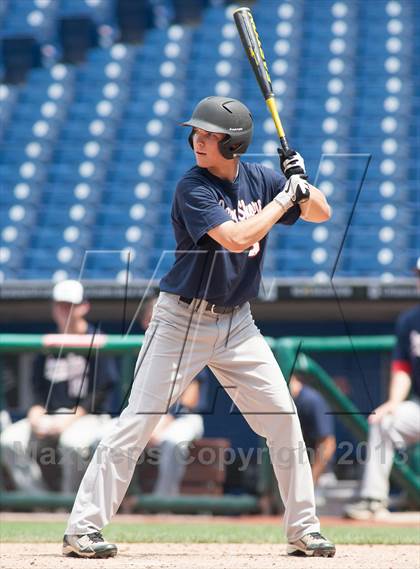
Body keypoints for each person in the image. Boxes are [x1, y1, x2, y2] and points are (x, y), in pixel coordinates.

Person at [63, 96, 335, 558]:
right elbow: (236, 238)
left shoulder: (261, 179)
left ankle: (303, 529)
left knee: (284, 422)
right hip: (181, 321)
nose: (197, 141)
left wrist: (302, 185)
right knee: (138, 422)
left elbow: (322, 213)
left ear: (235, 145)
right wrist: (286, 197)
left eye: (209, 136)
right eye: (197, 133)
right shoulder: (193, 187)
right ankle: (82, 529)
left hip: (238, 324)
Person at [0, 279, 118, 494]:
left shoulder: (97, 340)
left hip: (89, 417)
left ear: (84, 306)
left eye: (70, 305)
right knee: (9, 441)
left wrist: (68, 421)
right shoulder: (49, 343)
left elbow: (100, 393)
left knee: (72, 444)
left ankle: (70, 503)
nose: (64, 310)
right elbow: (38, 392)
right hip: (51, 415)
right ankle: (39, 499)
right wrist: (35, 414)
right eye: (60, 304)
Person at [344, 259, 420, 520]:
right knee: (383, 421)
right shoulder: (410, 320)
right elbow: (402, 368)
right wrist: (393, 402)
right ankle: (373, 500)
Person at [140, 296, 206, 496]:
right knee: (115, 438)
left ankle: (164, 502)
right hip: (150, 417)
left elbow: (189, 401)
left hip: (184, 418)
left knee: (172, 442)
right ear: (145, 322)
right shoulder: (141, 351)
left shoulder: (189, 347)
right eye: (153, 318)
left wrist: (161, 422)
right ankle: (125, 503)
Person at [288, 374, 336, 491]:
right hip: (298, 477)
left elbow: (328, 443)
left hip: (320, 480)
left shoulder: (310, 400)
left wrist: (311, 480)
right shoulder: (289, 402)